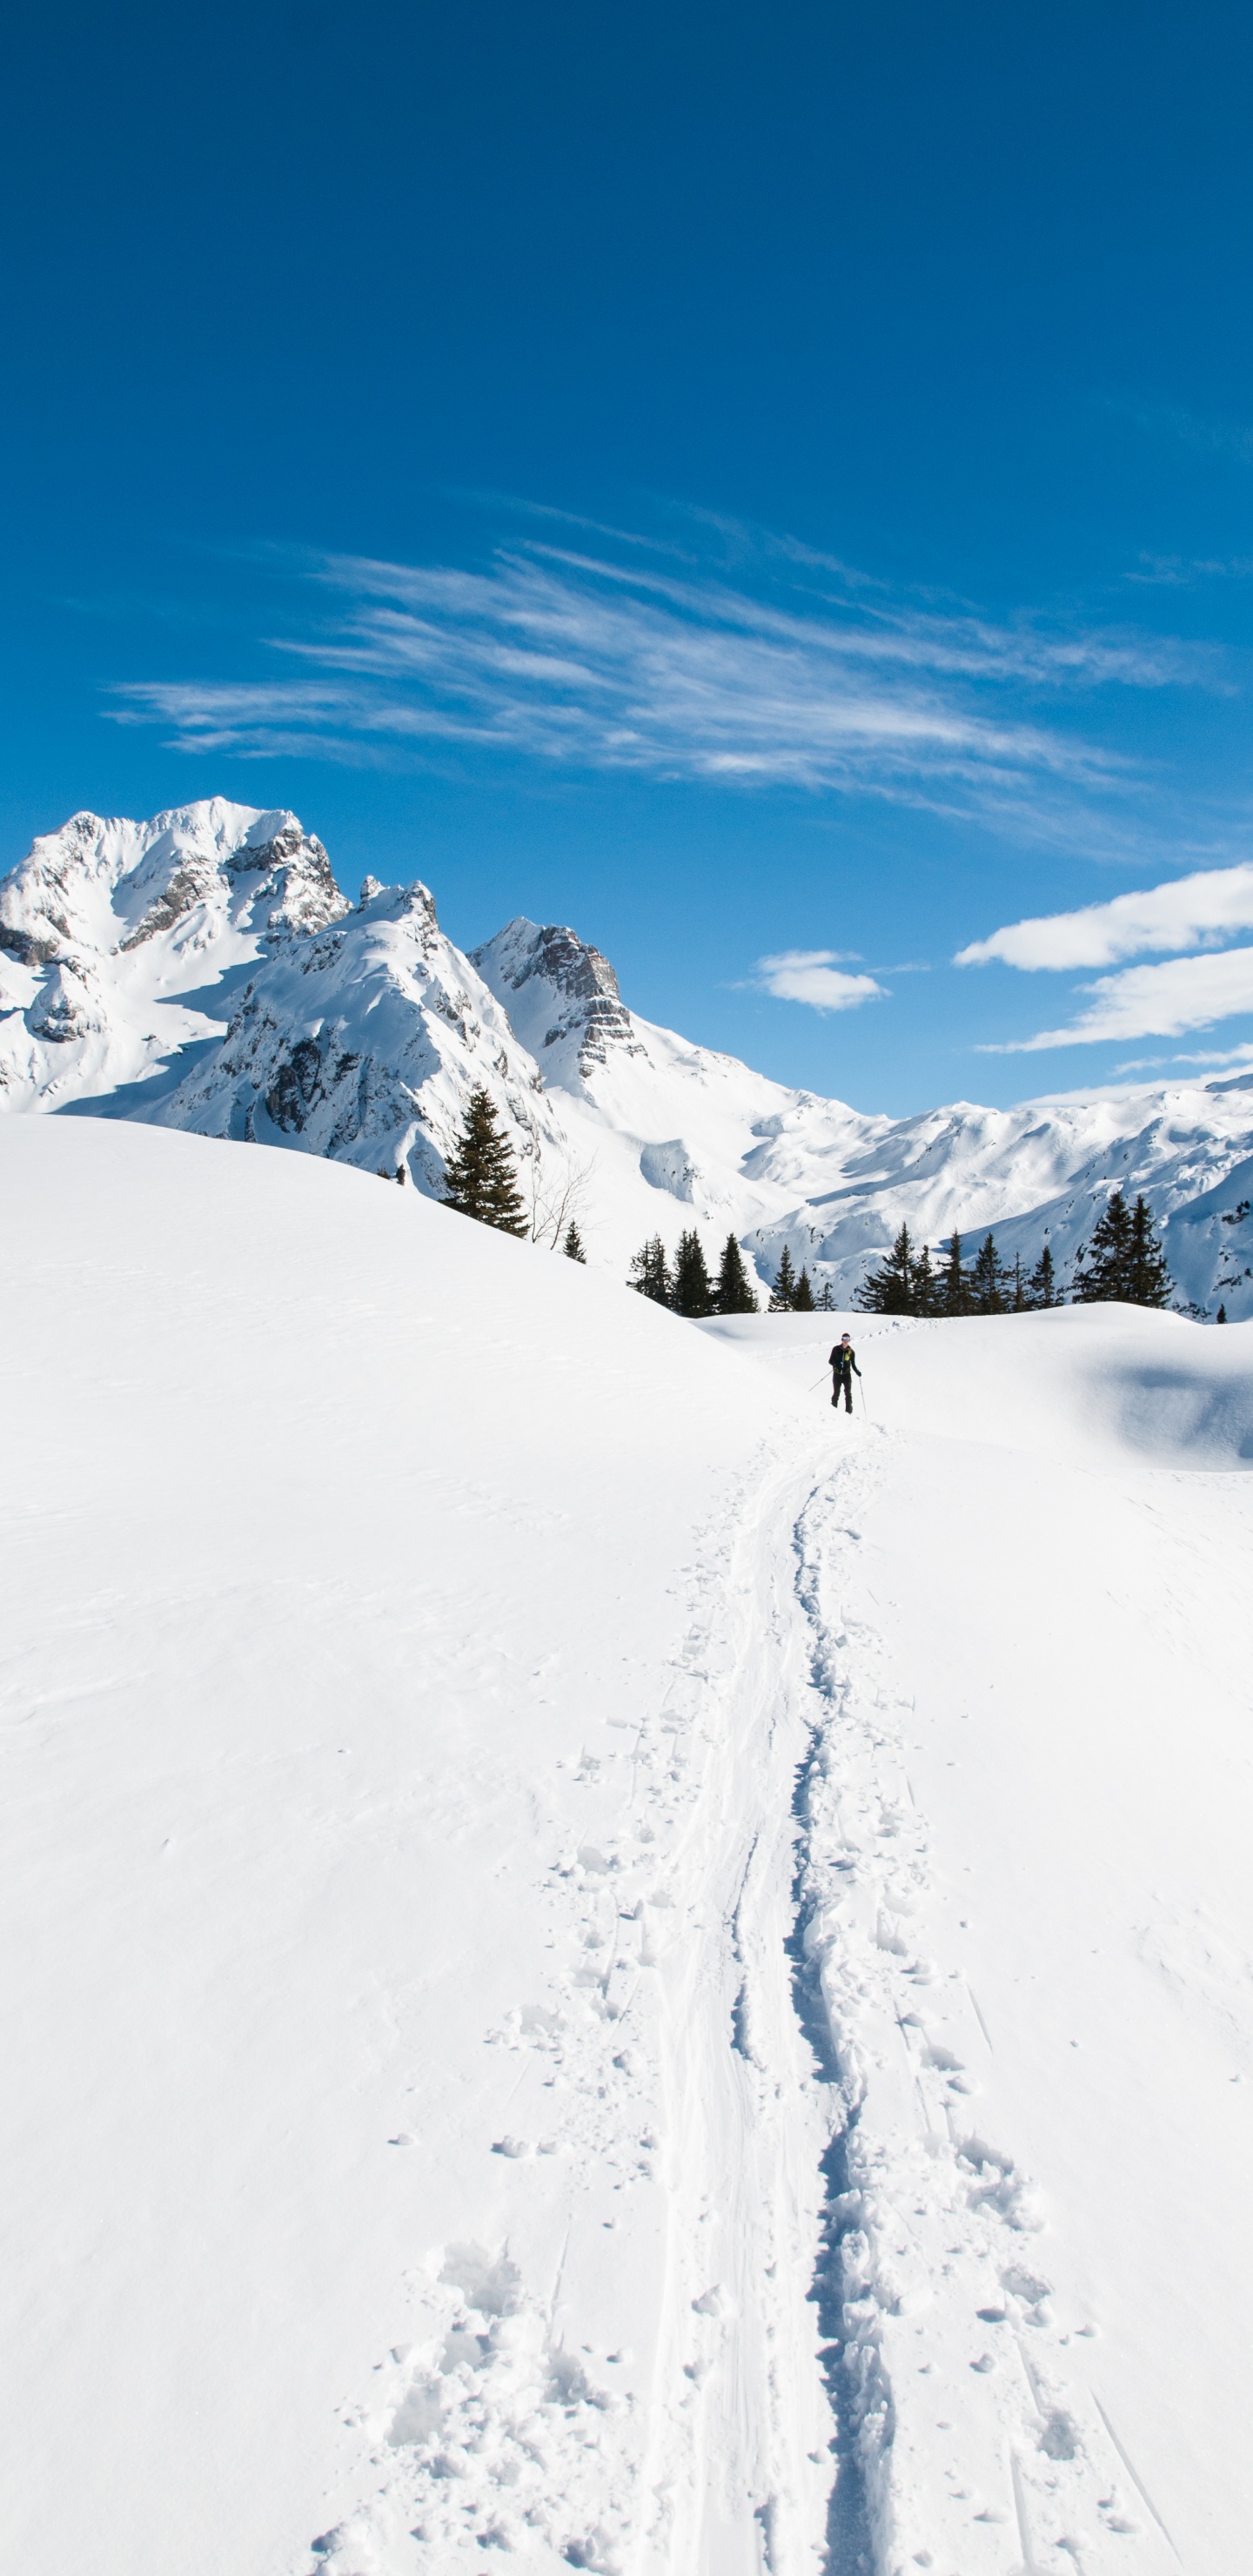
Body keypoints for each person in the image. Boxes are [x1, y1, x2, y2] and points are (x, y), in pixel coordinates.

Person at [829, 1332, 861, 1414]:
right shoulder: (836, 1349)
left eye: (848, 1339)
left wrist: (857, 1371)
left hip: (846, 1375)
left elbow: (853, 1364)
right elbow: (830, 1361)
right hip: (837, 1374)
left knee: (848, 1393)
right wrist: (835, 1364)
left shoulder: (851, 1351)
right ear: (842, 1339)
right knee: (836, 1392)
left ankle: (848, 1411)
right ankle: (833, 1409)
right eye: (845, 1338)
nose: (846, 1340)